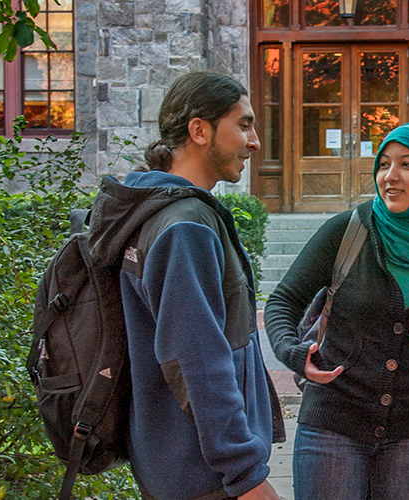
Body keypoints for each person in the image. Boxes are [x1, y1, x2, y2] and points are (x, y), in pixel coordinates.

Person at [87, 71, 285, 500]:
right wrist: (246, 475)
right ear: (200, 130)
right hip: (204, 477)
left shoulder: (152, 210)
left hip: (172, 465)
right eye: (244, 124)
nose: (253, 142)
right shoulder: (183, 226)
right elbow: (197, 360)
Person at [264, 122, 409, 500]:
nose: (390, 177)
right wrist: (293, 353)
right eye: (383, 164)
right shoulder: (347, 231)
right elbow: (283, 301)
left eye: (408, 165)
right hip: (333, 424)